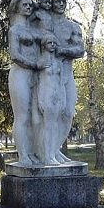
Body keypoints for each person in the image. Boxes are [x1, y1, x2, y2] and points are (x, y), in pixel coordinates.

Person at [7, 0, 48, 165]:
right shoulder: (15, 30)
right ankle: (23, 154)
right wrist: (34, 64)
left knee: (36, 117)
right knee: (22, 116)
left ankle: (34, 152)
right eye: (25, 4)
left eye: (30, 4)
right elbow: (15, 55)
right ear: (16, 7)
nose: (29, 7)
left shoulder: (34, 29)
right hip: (21, 74)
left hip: (36, 75)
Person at [50, 0, 84, 162]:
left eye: (63, 1)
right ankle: (49, 152)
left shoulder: (73, 27)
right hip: (48, 74)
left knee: (68, 112)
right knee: (50, 114)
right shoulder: (44, 24)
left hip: (66, 72)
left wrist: (62, 50)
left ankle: (55, 149)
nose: (61, 4)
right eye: (57, 1)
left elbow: (80, 50)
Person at [32, 33, 66, 164]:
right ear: (44, 45)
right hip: (46, 95)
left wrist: (63, 99)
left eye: (54, 43)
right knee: (47, 126)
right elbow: (38, 83)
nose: (52, 45)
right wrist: (40, 99)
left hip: (57, 96)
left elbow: (61, 82)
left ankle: (53, 154)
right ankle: (46, 156)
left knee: (55, 126)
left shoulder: (59, 63)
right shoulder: (40, 63)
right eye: (49, 43)